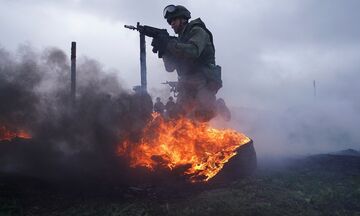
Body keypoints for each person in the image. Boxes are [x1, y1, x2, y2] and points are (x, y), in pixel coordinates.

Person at [151, 4, 230, 122]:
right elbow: (170, 68)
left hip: (203, 78)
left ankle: (217, 105)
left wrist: (169, 44)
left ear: (183, 19)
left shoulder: (198, 31)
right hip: (185, 81)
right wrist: (164, 51)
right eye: (170, 21)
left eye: (174, 20)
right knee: (178, 116)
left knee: (204, 115)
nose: (171, 24)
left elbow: (193, 51)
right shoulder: (178, 40)